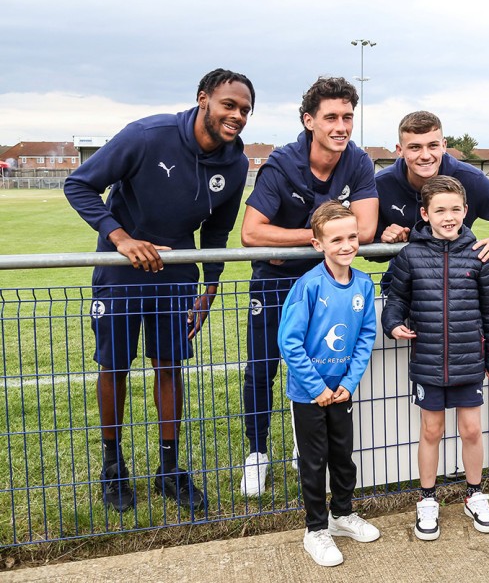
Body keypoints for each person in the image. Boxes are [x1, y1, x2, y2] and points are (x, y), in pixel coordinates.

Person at [64, 68, 255, 513]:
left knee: (169, 367)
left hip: (176, 277)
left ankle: (169, 470)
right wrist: (121, 238)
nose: (237, 116)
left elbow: (218, 230)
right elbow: (79, 184)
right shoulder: (147, 135)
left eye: (245, 110)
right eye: (229, 104)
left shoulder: (237, 163)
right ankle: (114, 468)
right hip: (121, 273)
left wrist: (209, 289)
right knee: (115, 368)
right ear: (203, 98)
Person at [238, 76, 378, 496]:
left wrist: (308, 240)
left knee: (323, 366)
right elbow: (251, 234)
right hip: (276, 281)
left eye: (348, 117)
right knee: (263, 368)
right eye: (331, 117)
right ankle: (257, 454)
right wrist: (319, 236)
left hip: (328, 282)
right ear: (309, 121)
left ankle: (307, 448)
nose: (341, 126)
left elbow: (366, 229)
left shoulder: (358, 161)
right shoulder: (283, 164)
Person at [381, 175, 489, 541]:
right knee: (431, 431)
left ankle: (475, 494)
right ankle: (427, 500)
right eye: (440, 210)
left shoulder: (482, 255)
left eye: (455, 209)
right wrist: (393, 325)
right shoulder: (411, 255)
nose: (448, 216)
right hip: (428, 363)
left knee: (471, 430)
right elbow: (397, 301)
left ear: (466, 212)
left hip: (470, 361)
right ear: (425, 213)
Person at [278, 201, 380, 567]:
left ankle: (341, 515)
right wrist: (316, 387)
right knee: (313, 461)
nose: (347, 245)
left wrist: (349, 383)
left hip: (341, 391)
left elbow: (366, 335)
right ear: (318, 244)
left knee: (342, 457)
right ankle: (315, 529)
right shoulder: (308, 286)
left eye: (352, 237)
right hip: (310, 394)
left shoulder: (364, 285)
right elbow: (289, 342)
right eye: (336, 239)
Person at [375, 110, 489, 272]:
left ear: (444, 146)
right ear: (400, 150)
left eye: (433, 145)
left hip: (458, 283)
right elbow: (370, 250)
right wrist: (386, 241)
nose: (425, 155)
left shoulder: (470, 179)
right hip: (403, 288)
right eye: (415, 147)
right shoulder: (381, 184)